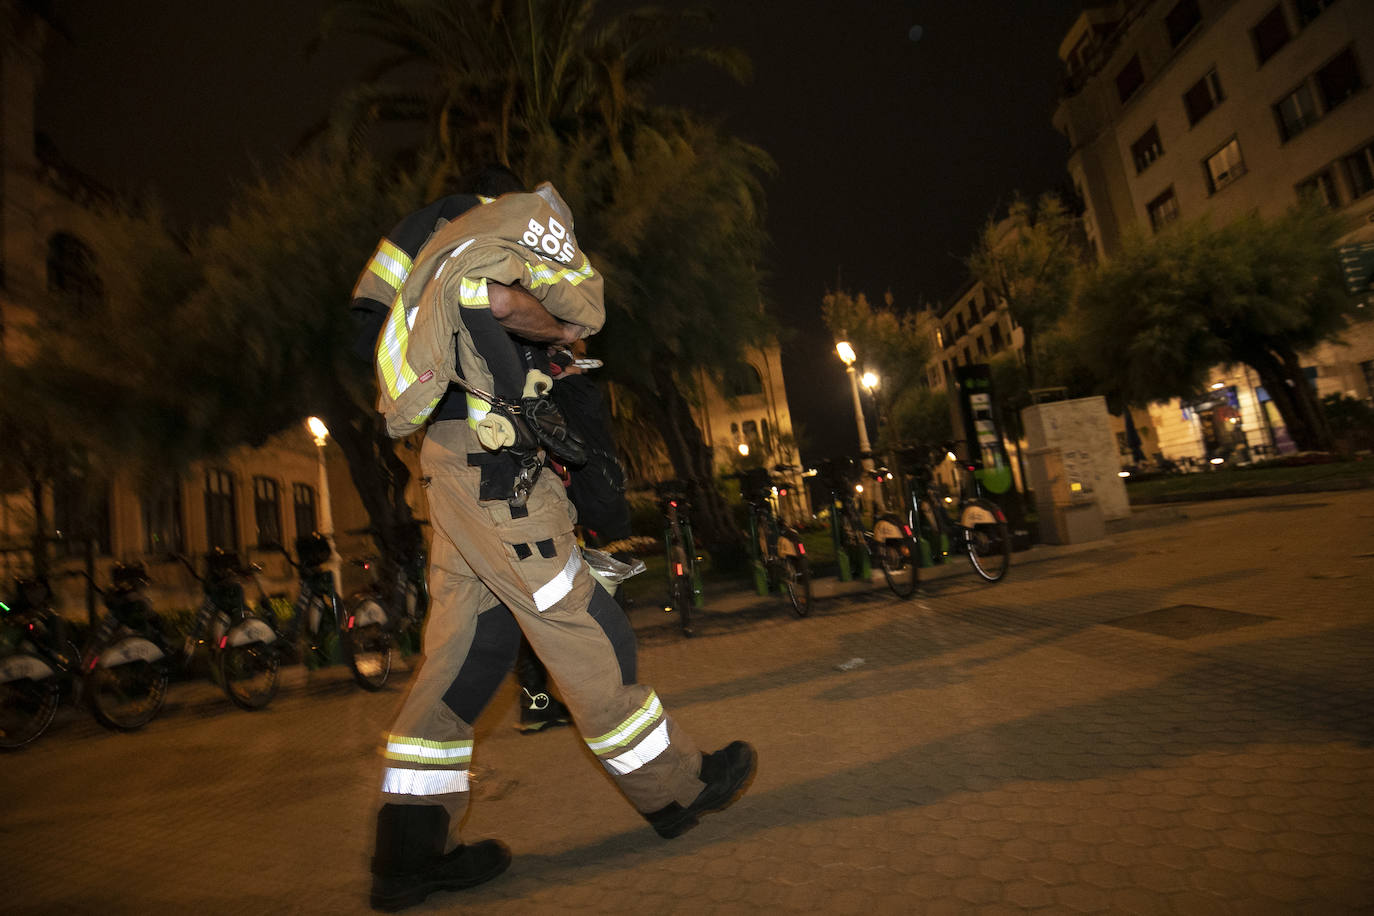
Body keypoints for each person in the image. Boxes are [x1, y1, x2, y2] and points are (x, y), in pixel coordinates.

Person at [350, 169, 757, 913]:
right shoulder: (492, 234)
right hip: (490, 464)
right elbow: (497, 300)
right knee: (584, 625)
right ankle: (677, 789)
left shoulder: (424, 237)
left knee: (467, 661)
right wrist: (562, 327)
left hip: (448, 465)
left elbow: (370, 325)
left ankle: (406, 855)